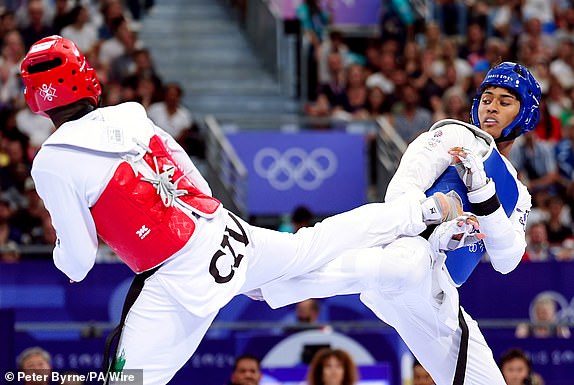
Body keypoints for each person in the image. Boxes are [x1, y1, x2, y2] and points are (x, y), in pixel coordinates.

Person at [21, 36, 466, 385]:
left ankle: (403, 256)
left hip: (178, 280)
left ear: (36, 97)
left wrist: (61, 245)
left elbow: (78, 264)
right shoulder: (133, 113)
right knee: (315, 245)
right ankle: (423, 212)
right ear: (85, 76)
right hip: (225, 234)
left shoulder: (52, 161)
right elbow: (194, 179)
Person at [258, 61, 540, 384]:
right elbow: (402, 190)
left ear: (525, 114)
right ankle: (272, 281)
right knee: (407, 263)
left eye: (505, 102)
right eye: (487, 99)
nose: (492, 108)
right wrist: (435, 215)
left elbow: (507, 259)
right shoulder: (453, 135)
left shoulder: (518, 194)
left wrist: (483, 192)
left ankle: (274, 276)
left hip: (438, 299)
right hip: (411, 252)